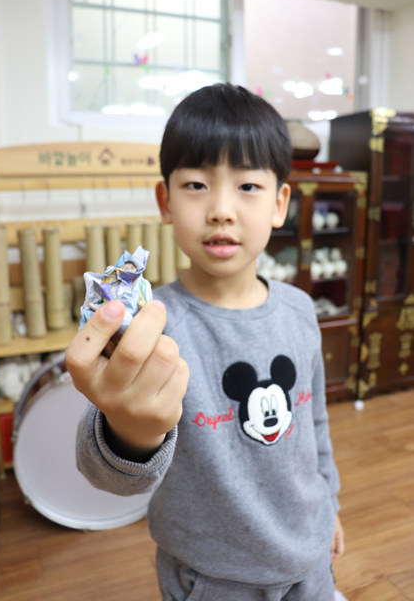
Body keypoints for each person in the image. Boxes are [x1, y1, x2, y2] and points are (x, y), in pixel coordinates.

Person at [66, 83, 344, 601]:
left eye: (248, 186)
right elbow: (109, 476)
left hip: (311, 559)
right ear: (165, 201)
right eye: (196, 184)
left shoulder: (300, 310)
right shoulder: (150, 327)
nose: (220, 209)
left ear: (280, 203)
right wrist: (128, 432)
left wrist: (330, 505)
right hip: (210, 579)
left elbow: (316, 426)